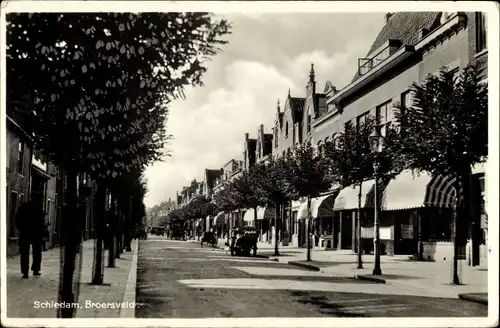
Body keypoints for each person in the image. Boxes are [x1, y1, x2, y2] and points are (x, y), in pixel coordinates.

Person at [16, 196, 45, 278]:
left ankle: (25, 272)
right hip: (36, 233)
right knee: (37, 252)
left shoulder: (23, 207)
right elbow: (42, 222)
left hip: (25, 233)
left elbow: (17, 219)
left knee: (24, 253)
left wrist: (21, 229)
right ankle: (36, 270)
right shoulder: (38, 208)